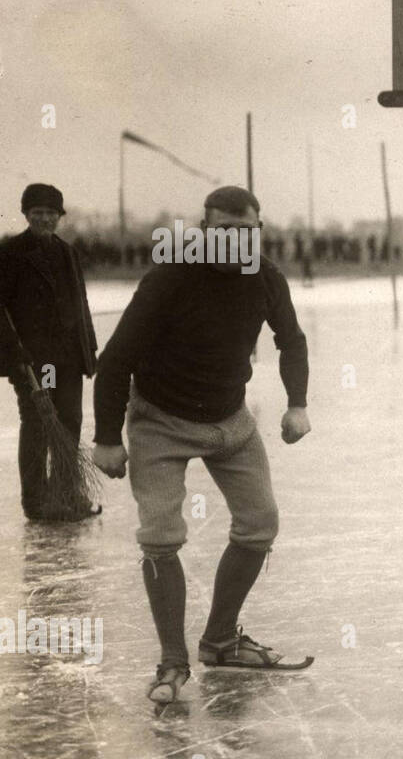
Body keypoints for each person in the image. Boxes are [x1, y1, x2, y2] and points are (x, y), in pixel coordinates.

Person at [91, 186, 311, 704]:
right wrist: (105, 438)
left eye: (248, 232)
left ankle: (219, 640)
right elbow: (116, 358)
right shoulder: (170, 277)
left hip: (230, 421)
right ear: (205, 232)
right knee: (161, 536)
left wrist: (297, 402)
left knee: (260, 524)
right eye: (225, 233)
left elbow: (292, 339)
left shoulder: (268, 277)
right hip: (160, 422)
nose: (238, 243)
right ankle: (172, 662)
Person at [0, 184, 100, 521]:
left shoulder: (67, 253)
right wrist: (15, 354)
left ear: (60, 216)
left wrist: (90, 349)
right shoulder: (11, 253)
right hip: (35, 360)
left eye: (51, 213)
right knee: (40, 423)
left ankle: (67, 492)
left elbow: (81, 304)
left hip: (68, 358)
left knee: (69, 421)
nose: (45, 218)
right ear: (26, 214)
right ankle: (37, 501)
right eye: (38, 212)